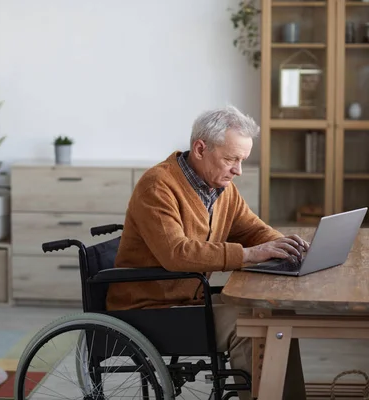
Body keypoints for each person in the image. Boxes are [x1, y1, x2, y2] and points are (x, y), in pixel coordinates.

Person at [105, 105, 308, 399]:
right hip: (151, 309)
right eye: (231, 159)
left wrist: (284, 246)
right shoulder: (158, 185)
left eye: (242, 160)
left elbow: (254, 230)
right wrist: (251, 254)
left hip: (189, 298)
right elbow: (177, 253)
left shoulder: (221, 188)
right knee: (253, 327)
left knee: (279, 315)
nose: (238, 170)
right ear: (200, 149)